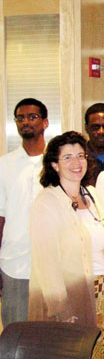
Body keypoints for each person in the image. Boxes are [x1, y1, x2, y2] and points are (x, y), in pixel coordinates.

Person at [29, 131, 104, 359]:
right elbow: (46, 261)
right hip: (72, 297)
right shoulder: (47, 202)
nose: (76, 163)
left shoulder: (92, 194)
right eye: (67, 157)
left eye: (80, 156)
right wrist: (62, 311)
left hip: (103, 294)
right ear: (54, 164)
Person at [0, 98, 47, 326]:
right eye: (20, 118)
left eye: (32, 117)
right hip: (14, 265)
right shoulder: (4, 165)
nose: (26, 122)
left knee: (52, 337)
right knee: (15, 334)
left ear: (45, 122)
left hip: (53, 265)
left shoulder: (57, 163)